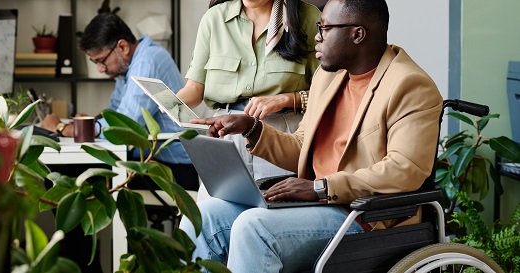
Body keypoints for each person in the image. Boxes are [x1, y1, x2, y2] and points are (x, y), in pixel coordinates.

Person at [179, 0, 443, 272]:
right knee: (201, 216)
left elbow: (406, 169)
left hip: (365, 216)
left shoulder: (409, 85)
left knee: (253, 227)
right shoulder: (329, 77)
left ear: (357, 34)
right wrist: (250, 127)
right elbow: (300, 145)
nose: (317, 36)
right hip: (318, 205)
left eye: (325, 28)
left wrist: (321, 187)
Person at [40, 13, 199, 190]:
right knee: (62, 171)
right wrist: (90, 122)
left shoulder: (146, 62)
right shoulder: (130, 66)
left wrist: (65, 129)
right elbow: (116, 110)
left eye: (101, 61)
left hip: (173, 171)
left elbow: (126, 125)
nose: (100, 69)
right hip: (153, 161)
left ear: (122, 47)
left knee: (61, 173)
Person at [176, 0, 321, 190]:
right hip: (224, 135)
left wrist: (286, 99)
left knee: (271, 214)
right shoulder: (215, 18)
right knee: (213, 212)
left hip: (282, 135)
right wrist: (172, 102)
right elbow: (195, 89)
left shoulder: (309, 18)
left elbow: (332, 91)